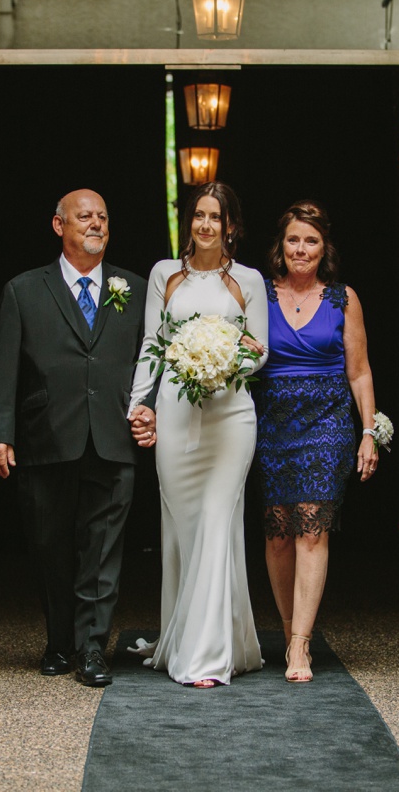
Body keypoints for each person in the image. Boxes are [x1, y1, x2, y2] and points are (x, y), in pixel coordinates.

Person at [0, 189, 149, 687]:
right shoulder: (24, 290)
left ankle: (93, 646)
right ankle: (60, 640)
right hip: (45, 437)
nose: (95, 223)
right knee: (50, 546)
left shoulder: (135, 289)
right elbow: (3, 365)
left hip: (113, 438)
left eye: (102, 216)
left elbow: (154, 360)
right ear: (59, 226)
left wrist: (151, 410)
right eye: (84, 217)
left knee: (102, 549)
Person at [127, 182, 267, 687]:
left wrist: (221, 362)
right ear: (190, 221)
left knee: (215, 521)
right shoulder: (165, 274)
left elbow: (260, 351)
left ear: (231, 225)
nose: (206, 225)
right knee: (185, 532)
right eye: (199, 215)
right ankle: (192, 636)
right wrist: (138, 403)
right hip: (177, 413)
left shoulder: (248, 281)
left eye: (217, 217)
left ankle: (206, 658)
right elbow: (152, 343)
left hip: (231, 416)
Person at [252, 200, 376, 683]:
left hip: (327, 422)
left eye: (311, 241)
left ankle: (301, 644)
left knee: (311, 528)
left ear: (324, 249)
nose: (301, 249)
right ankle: (288, 631)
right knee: (278, 534)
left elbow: (360, 372)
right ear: (280, 248)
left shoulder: (344, 298)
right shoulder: (256, 294)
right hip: (272, 423)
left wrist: (368, 432)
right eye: (293, 240)